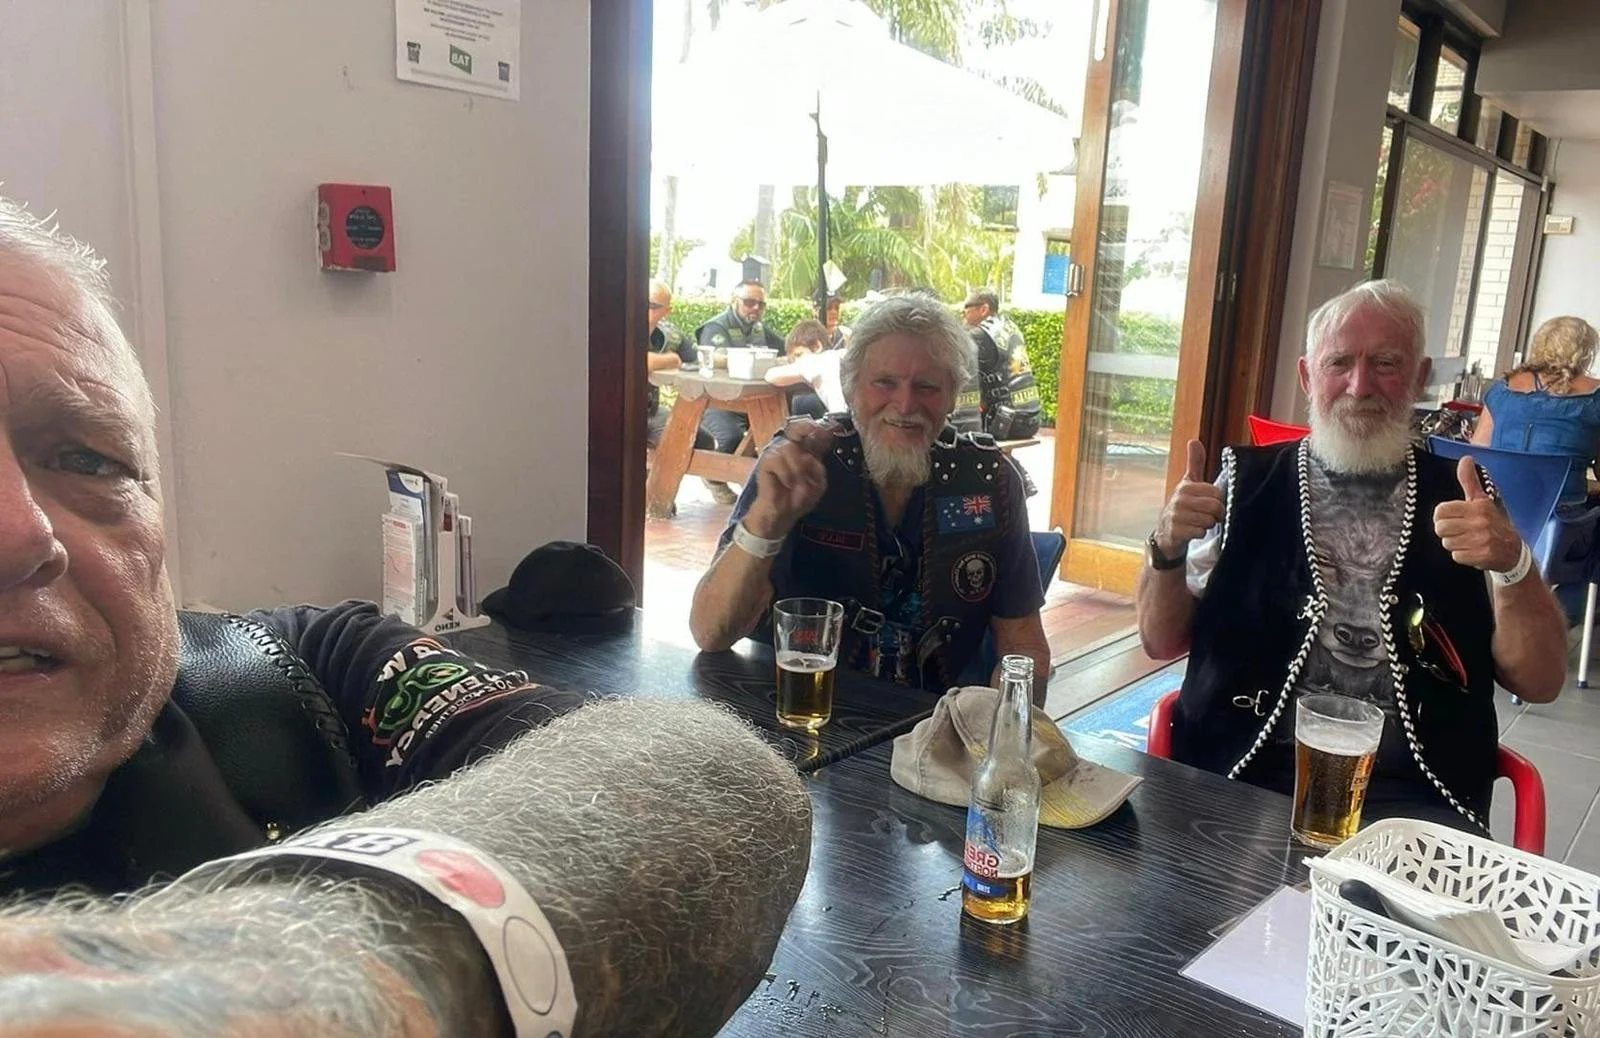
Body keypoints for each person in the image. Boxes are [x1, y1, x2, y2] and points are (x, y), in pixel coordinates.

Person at [0, 194, 811, 1035]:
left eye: (85, 458)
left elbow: (715, 780)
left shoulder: (310, 667)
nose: (19, 534)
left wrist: (286, 990)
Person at [1137, 279, 1565, 835]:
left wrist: (1514, 565)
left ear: (1419, 376)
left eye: (1385, 363)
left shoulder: (1467, 496)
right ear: (1307, 375)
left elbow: (1540, 681)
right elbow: (1160, 640)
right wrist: (1166, 546)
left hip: (1416, 798)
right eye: (1338, 362)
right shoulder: (1243, 482)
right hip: (1238, 775)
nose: (1360, 386)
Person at [689, 295, 1051, 699]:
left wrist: (1005, 724)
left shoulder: (988, 479)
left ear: (952, 395)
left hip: (931, 722)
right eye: (885, 382)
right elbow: (710, 632)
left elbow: (1025, 646)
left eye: (927, 386)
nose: (905, 404)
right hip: (792, 705)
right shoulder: (800, 462)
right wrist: (765, 521)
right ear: (850, 387)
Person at [1473, 315, 1600, 512]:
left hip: (1497, 509)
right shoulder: (1595, 398)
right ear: (1585, 353)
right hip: (1561, 517)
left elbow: (1477, 453)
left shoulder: (1502, 389)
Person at [695, 281, 786, 505]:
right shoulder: (716, 327)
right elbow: (715, 358)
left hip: (750, 401)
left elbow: (786, 347)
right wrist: (751, 360)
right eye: (749, 302)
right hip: (718, 401)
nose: (755, 308)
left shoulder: (758, 328)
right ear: (734, 302)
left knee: (777, 430)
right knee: (731, 437)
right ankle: (713, 476)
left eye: (761, 304)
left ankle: (762, 489)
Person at [961, 288, 1042, 441]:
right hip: (1031, 417)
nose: (963, 314)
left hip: (1003, 421)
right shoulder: (1011, 327)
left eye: (966, 308)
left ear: (984, 309)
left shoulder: (979, 335)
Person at [644, 278, 700, 450]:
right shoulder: (620, 325)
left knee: (700, 440)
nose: (644, 308)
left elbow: (697, 360)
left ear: (667, 311)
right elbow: (636, 361)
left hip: (651, 410)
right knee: (675, 445)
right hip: (616, 412)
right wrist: (671, 359)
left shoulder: (670, 334)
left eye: (653, 305)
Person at [769, 318, 841, 419]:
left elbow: (770, 376)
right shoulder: (838, 355)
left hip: (842, 420)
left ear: (816, 347)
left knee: (801, 402)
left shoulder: (814, 362)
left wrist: (801, 376)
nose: (797, 362)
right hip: (859, 418)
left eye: (798, 355)